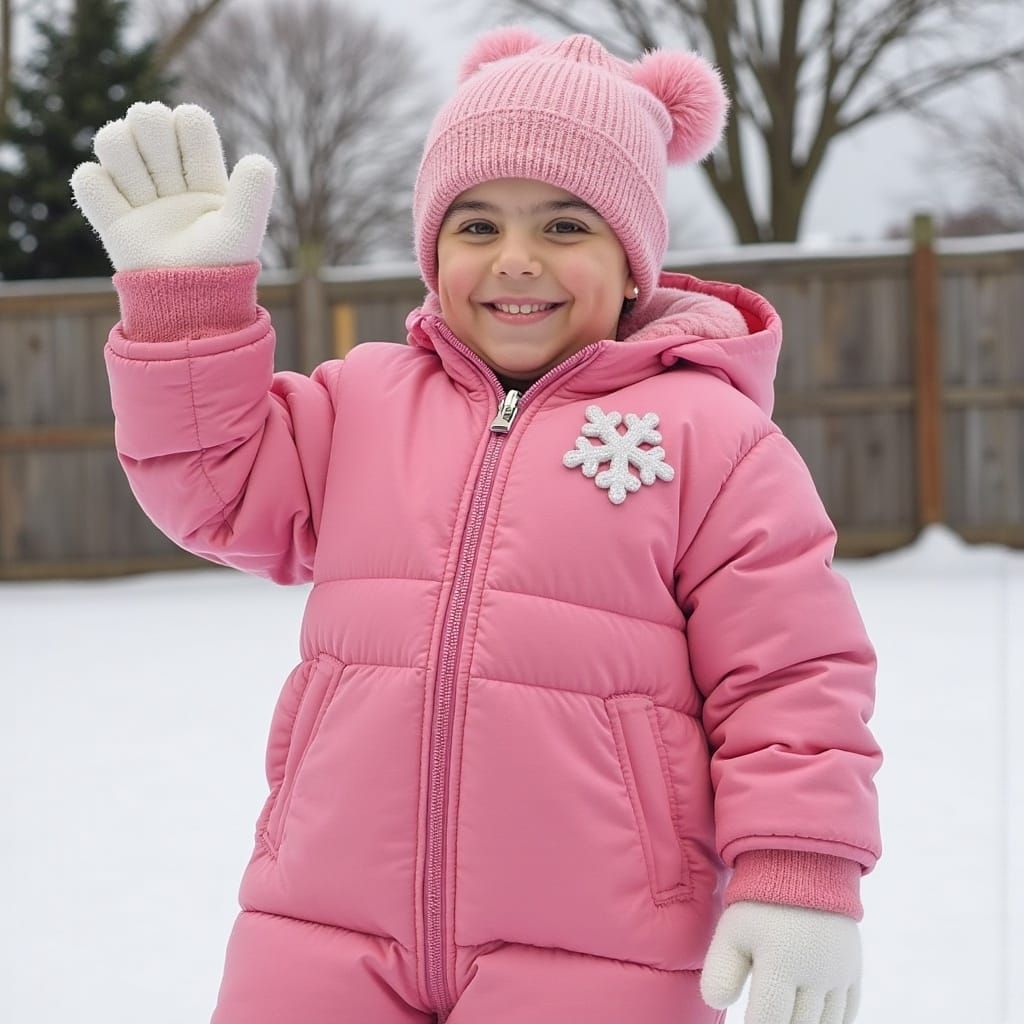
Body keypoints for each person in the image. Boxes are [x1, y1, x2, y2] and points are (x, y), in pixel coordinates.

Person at [70, 25, 882, 1024]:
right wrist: (185, 312)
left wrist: (797, 868)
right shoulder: (362, 403)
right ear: (433, 250)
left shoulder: (711, 440)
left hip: (606, 945)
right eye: (478, 226)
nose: (517, 261)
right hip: (322, 927)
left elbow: (791, 675)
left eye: (566, 226)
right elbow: (214, 487)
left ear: (634, 262)